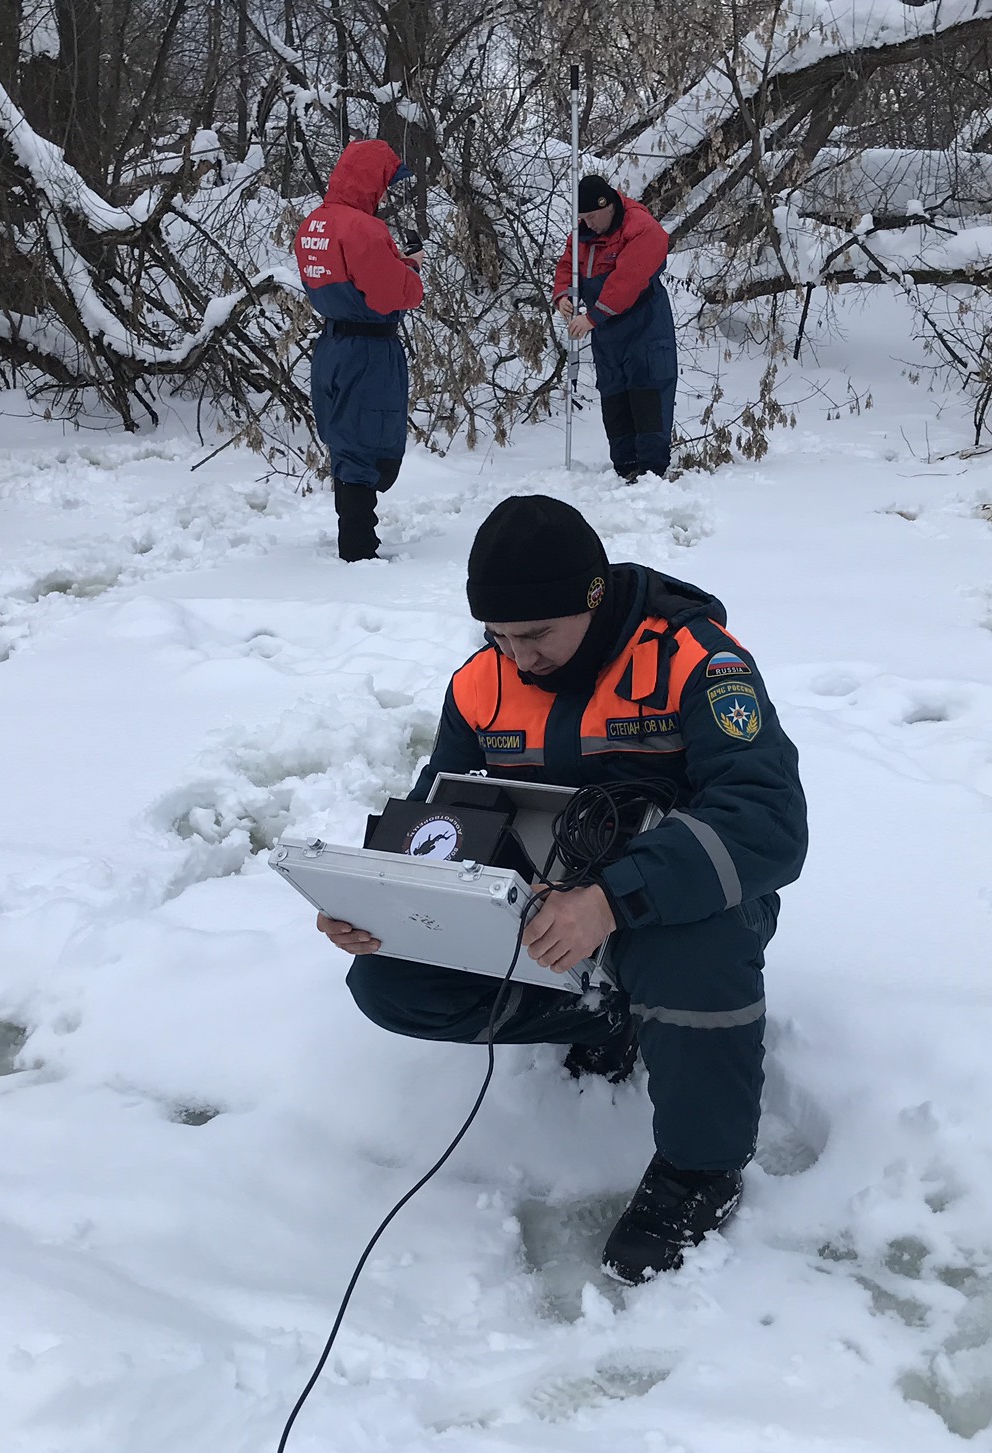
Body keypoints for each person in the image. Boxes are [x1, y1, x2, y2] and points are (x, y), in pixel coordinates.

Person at [315, 495, 807, 1282]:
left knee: (693, 951)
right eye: (500, 636)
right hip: (542, 906)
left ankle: (699, 1169)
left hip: (685, 898)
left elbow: (767, 823)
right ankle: (608, 1018)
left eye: (537, 634)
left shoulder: (696, 662)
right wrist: (387, 903)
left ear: (593, 596)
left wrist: (612, 899)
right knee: (389, 983)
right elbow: (438, 823)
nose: (520, 658)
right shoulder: (480, 685)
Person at [296, 140, 424, 561]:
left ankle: (353, 539)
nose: (385, 194)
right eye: (385, 183)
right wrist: (412, 272)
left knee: (345, 440)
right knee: (368, 443)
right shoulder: (365, 229)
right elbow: (393, 295)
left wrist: (394, 266)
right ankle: (357, 549)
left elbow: (352, 279)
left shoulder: (314, 224)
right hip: (369, 350)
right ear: (372, 180)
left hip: (332, 343)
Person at [553, 175, 679, 483]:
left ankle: (652, 472)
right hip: (608, 331)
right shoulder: (582, 231)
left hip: (644, 323)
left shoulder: (642, 229)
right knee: (613, 393)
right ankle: (625, 467)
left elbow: (628, 282)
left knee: (647, 389)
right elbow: (568, 265)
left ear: (608, 205)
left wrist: (592, 318)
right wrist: (563, 295)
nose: (588, 224)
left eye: (592, 216)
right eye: (582, 218)